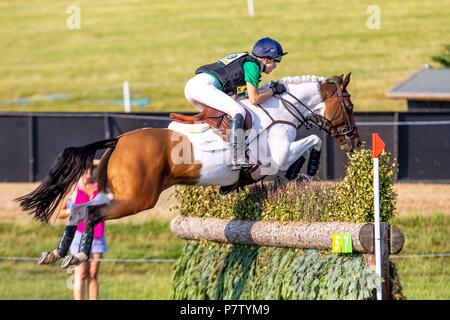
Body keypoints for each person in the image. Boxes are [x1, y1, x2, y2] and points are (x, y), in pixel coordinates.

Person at [184, 37, 288, 170]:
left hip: (194, 86)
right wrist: (273, 91)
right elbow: (254, 99)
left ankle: (213, 152)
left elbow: (242, 94)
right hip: (203, 87)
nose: (276, 65)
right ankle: (237, 157)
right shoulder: (253, 65)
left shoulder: (246, 60)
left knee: (220, 119)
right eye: (276, 60)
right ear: (266, 59)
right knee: (238, 111)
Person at [57, 160, 107, 300]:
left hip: (97, 235)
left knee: (93, 273)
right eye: (85, 170)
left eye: (91, 170)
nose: (89, 174)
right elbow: (60, 213)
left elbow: (103, 162)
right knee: (81, 274)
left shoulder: (100, 187)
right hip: (79, 236)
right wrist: (73, 211)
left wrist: (90, 161)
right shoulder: (73, 189)